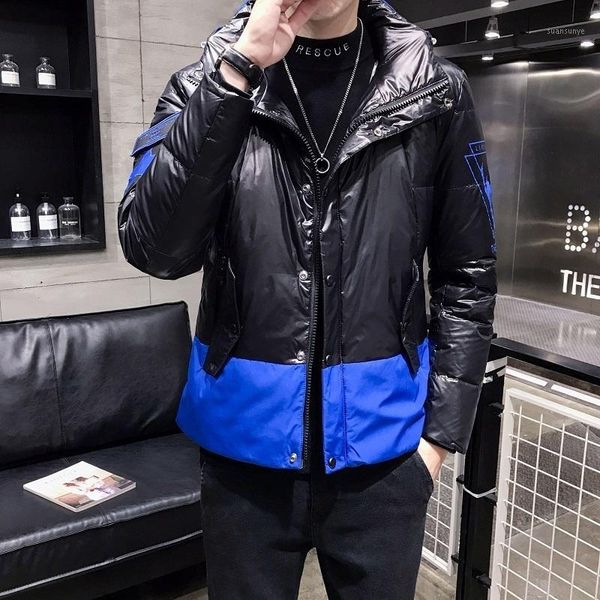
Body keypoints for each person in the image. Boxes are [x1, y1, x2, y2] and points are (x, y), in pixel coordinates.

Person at [117, 0, 497, 597]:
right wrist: (237, 73)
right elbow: (154, 249)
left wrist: (439, 442)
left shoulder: (434, 91)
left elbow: (467, 274)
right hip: (243, 456)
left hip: (386, 457)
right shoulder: (204, 84)